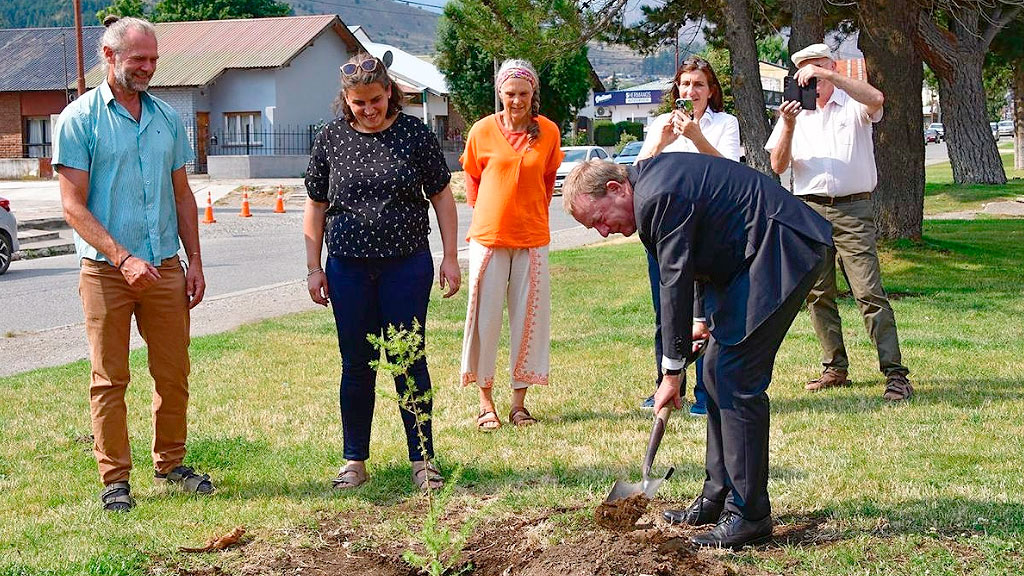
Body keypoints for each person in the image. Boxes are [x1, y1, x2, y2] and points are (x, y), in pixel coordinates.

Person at [562, 155, 833, 548]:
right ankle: (717, 496)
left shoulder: (657, 194)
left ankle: (749, 515)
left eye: (600, 220)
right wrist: (699, 318)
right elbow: (692, 260)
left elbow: (674, 278)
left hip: (782, 247)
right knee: (714, 373)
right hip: (746, 257)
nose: (603, 232)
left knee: (734, 377)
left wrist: (671, 373)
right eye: (594, 228)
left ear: (616, 189)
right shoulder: (650, 193)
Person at [52, 15, 212, 512]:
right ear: (109, 55)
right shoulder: (79, 120)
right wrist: (122, 259)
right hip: (105, 270)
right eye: (138, 59)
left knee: (173, 371)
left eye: (153, 59)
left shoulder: (167, 118)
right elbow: (72, 206)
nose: (147, 68)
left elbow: (183, 196)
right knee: (109, 377)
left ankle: (171, 463)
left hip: (165, 266)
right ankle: (115, 479)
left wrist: (194, 263)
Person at [303, 52, 461, 491]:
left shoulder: (415, 135)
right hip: (348, 269)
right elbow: (315, 205)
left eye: (375, 100)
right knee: (357, 363)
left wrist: (450, 256)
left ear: (389, 92)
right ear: (346, 101)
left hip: (406, 266)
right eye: (359, 104)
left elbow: (443, 198)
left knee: (409, 359)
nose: (368, 110)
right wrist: (313, 267)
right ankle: (354, 460)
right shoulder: (330, 138)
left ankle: (423, 460)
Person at [765, 42, 913, 401]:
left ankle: (895, 374)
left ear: (831, 69)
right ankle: (834, 367)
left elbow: (877, 98)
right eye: (806, 72)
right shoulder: (794, 115)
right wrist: (787, 125)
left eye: (818, 70)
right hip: (809, 209)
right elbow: (778, 165)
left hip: (853, 209)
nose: (812, 79)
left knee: (868, 291)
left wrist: (830, 75)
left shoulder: (853, 106)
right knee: (818, 293)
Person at [459, 59, 563, 431]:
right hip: (488, 237)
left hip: (532, 238)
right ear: (500, 94)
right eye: (509, 94)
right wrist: (489, 211)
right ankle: (486, 402)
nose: (516, 101)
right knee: (485, 320)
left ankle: (520, 403)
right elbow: (472, 176)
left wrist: (527, 210)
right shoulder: (482, 130)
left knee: (528, 321)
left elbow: (548, 179)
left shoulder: (548, 131)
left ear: (533, 93)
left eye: (522, 93)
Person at [635, 56, 741, 416]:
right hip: (665, 231)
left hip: (707, 230)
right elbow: (639, 175)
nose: (690, 91)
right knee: (667, 310)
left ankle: (706, 391)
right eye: (684, 84)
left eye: (698, 84)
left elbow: (730, 173)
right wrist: (659, 144)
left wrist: (697, 138)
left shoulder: (726, 124)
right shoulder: (660, 124)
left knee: (707, 314)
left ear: (711, 90)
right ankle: (665, 385)